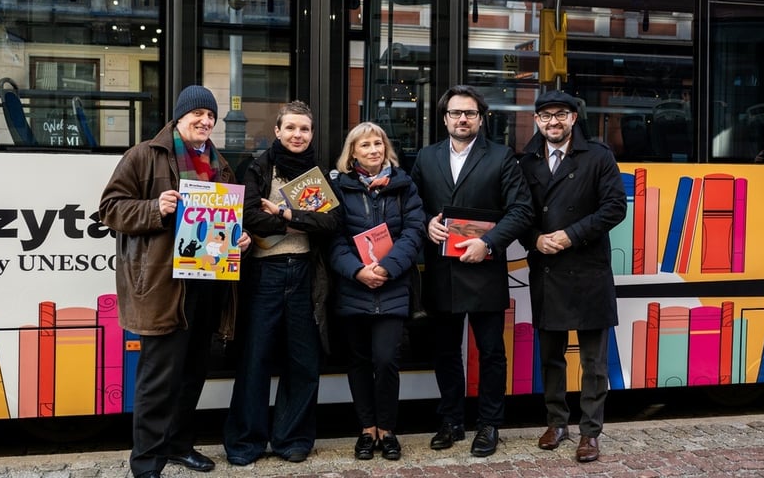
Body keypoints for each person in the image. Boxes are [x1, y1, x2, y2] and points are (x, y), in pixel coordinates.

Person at [98, 84, 251, 478]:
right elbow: (110, 209)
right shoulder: (144, 155)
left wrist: (240, 238)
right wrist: (154, 207)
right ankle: (147, 462)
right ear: (179, 118)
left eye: (210, 116)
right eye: (197, 114)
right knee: (157, 380)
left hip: (207, 284)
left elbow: (222, 226)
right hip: (164, 288)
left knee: (192, 373)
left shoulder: (220, 164)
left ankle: (179, 446)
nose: (205, 121)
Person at [409, 85, 533, 457]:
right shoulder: (426, 157)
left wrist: (490, 243)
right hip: (441, 272)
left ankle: (489, 425)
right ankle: (451, 421)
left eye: (470, 113)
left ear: (481, 118)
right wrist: (426, 224)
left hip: (483, 270)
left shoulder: (501, 157)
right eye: (455, 113)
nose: (462, 119)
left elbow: (521, 210)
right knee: (446, 352)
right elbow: (411, 206)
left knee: (491, 352)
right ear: (444, 118)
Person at [223, 100, 339, 465]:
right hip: (265, 274)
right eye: (290, 128)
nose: (297, 135)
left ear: (311, 133)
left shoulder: (318, 173)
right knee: (255, 360)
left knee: (303, 363)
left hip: (306, 273)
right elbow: (250, 217)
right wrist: (299, 221)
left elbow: (332, 223)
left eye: (304, 129)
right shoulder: (258, 167)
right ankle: (246, 443)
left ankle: (293, 440)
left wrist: (287, 213)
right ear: (277, 131)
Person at [517, 90, 626, 464]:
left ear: (573, 118)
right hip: (546, 268)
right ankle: (556, 422)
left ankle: (590, 432)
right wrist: (534, 238)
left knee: (594, 363)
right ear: (537, 121)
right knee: (551, 356)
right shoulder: (526, 161)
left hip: (588, 269)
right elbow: (519, 213)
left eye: (560, 115)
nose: (553, 122)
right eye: (545, 116)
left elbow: (614, 208)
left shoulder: (598, 156)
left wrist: (570, 234)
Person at [327, 122, 426, 462]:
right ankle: (366, 429)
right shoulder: (339, 188)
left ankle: (388, 429)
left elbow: (414, 232)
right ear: (352, 152)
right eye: (365, 145)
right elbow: (333, 238)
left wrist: (386, 268)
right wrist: (358, 271)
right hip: (354, 287)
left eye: (378, 144)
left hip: (393, 286)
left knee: (386, 361)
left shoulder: (404, 186)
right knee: (357, 361)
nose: (373, 150)